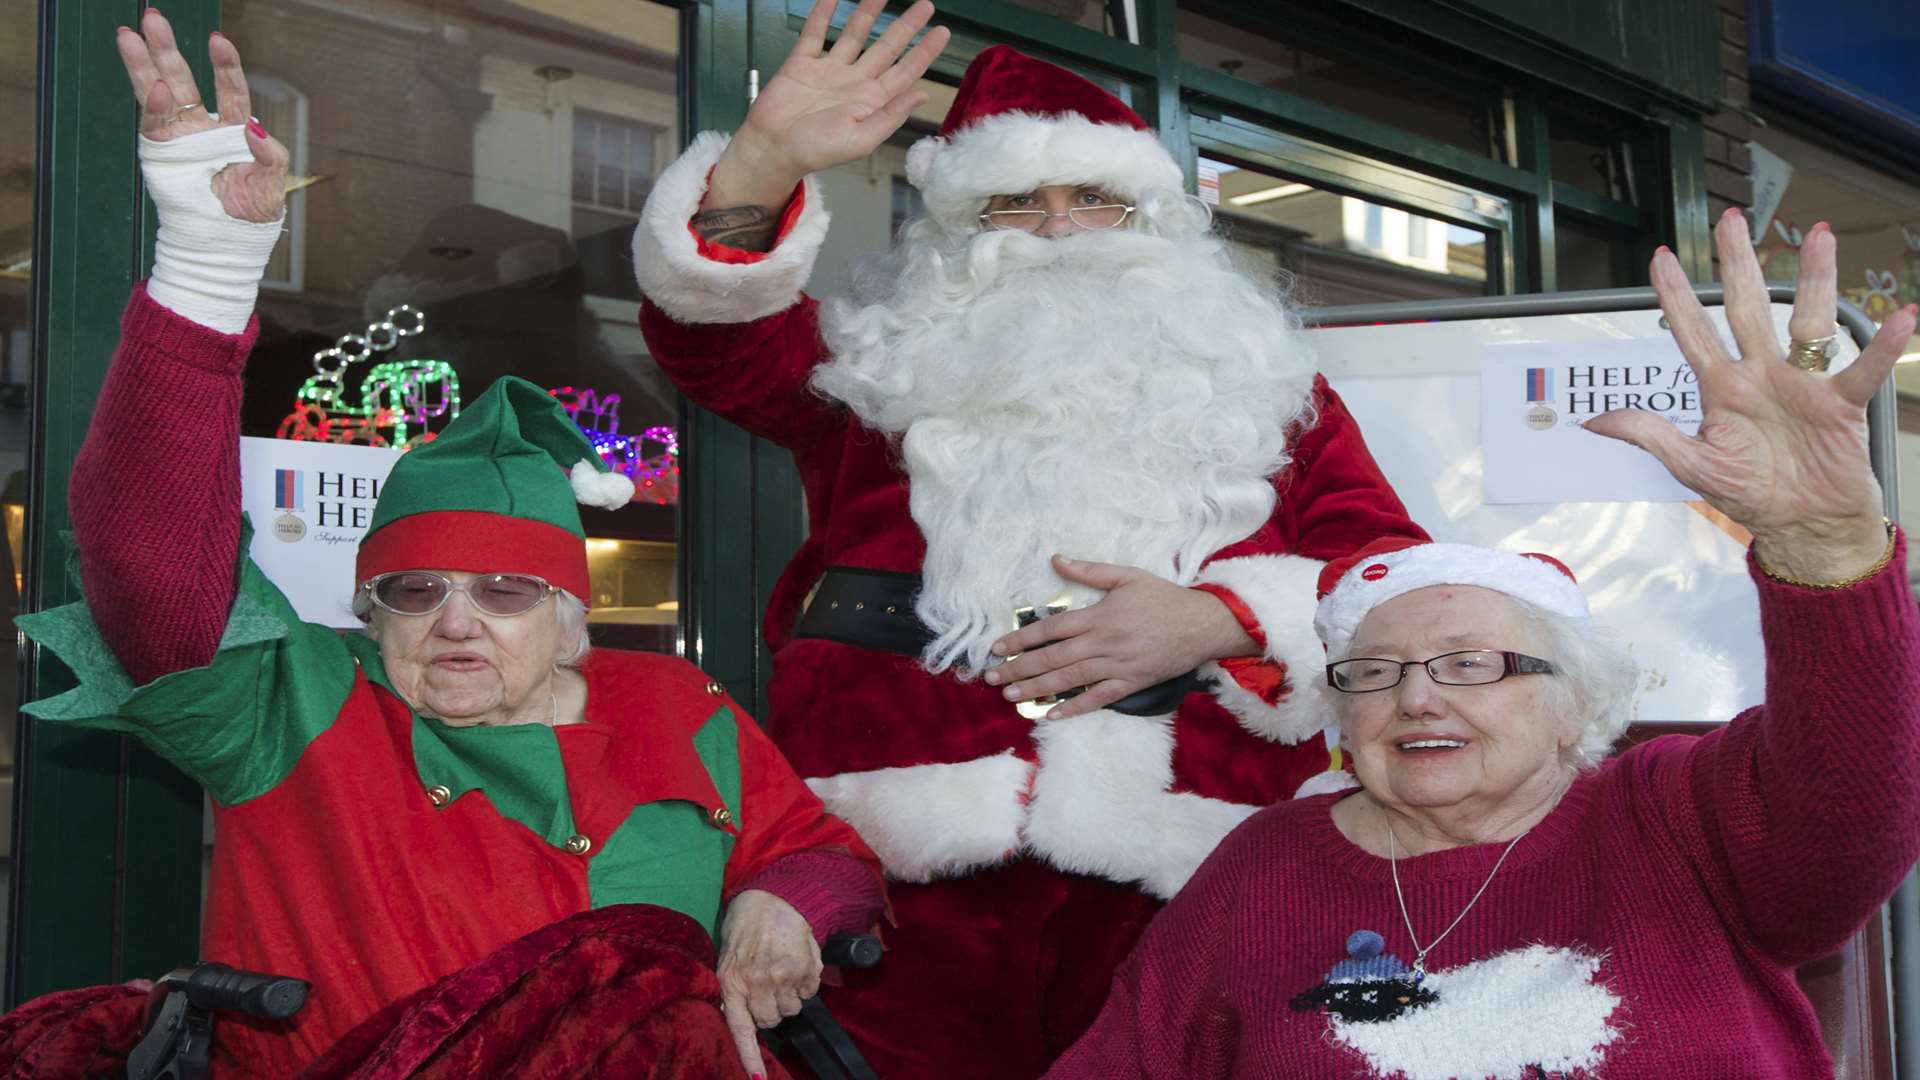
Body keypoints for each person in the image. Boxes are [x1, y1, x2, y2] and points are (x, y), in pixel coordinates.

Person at [8, 12, 882, 1078]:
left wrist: (779, 905)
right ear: (371, 614)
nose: (456, 619)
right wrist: (206, 271)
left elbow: (821, 855)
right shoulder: (298, 703)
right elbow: (147, 564)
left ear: (570, 622)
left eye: (508, 591)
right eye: (415, 590)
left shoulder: (676, 708)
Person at [631, 0, 1426, 1073]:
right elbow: (716, 347)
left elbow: (1400, 578)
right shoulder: (880, 376)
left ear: (1152, 222)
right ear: (960, 233)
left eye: (1096, 200)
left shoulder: (1274, 392)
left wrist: (1218, 619)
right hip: (909, 872)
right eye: (1017, 204)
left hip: (1193, 865)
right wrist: (763, 163)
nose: (1057, 229)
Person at [1045, 211, 1920, 1078]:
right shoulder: (1262, 867)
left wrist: (1824, 545)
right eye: (1376, 673)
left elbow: (1851, 800)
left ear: (1573, 707)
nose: (1417, 698)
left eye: (1473, 664)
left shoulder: (1678, 817)